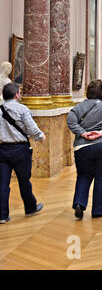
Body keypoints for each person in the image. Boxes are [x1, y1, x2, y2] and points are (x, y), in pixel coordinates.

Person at [67, 80, 102, 219]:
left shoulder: (78, 108)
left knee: (83, 176)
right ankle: (98, 211)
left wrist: (83, 133)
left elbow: (71, 121)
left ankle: (79, 203)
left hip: (83, 147)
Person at [0, 82, 45, 224]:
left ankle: (2, 215)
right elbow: (32, 128)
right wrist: (40, 136)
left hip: (1, 150)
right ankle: (30, 207)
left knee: (2, 183)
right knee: (24, 180)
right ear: (16, 94)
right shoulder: (22, 109)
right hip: (20, 150)